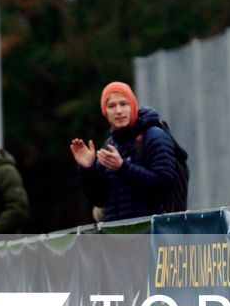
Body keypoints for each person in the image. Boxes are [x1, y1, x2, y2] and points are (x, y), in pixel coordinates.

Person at [69, 82, 187, 221]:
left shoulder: (154, 136)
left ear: (133, 107)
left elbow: (164, 184)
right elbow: (99, 200)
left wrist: (123, 167)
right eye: (112, 106)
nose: (119, 111)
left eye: (124, 104)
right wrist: (87, 169)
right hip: (117, 235)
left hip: (151, 233)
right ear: (105, 111)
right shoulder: (109, 146)